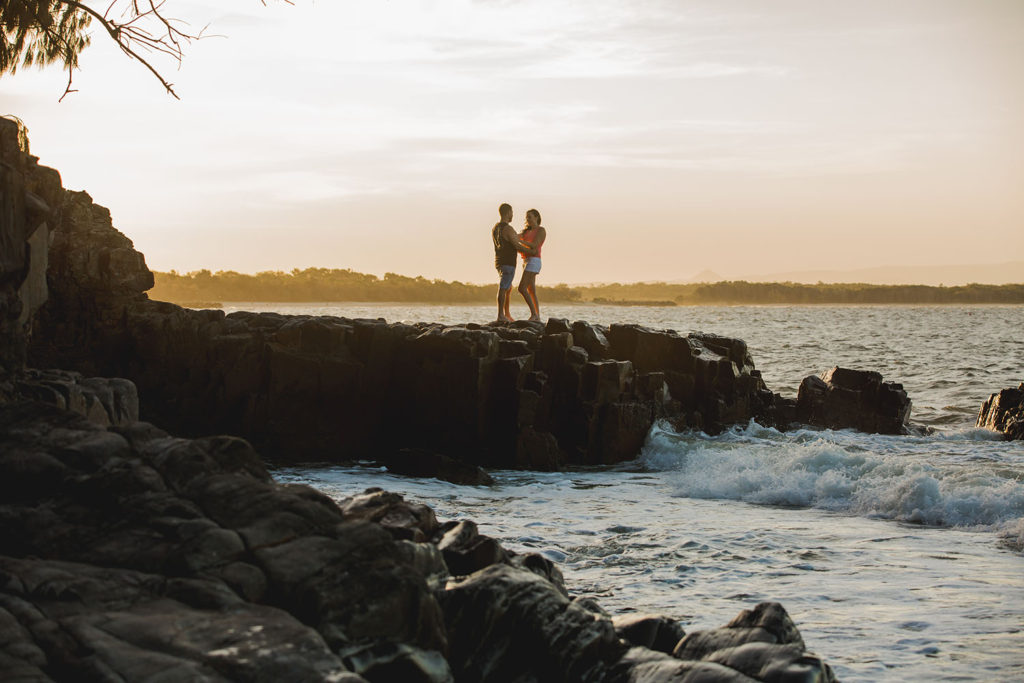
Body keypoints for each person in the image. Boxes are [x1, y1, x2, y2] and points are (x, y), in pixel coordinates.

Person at [492, 203, 536, 322]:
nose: (512, 215)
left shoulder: (495, 228)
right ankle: (501, 315)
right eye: (512, 213)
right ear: (507, 213)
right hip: (508, 262)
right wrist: (532, 251)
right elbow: (517, 245)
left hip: (499, 262)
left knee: (507, 287)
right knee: (504, 287)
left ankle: (505, 314)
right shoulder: (508, 228)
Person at [517, 208, 547, 322]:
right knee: (531, 290)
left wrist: (520, 241)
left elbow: (535, 245)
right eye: (526, 217)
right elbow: (515, 236)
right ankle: (537, 316)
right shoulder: (525, 232)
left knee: (522, 288)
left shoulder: (541, 230)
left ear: (536, 217)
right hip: (525, 261)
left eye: (529, 217)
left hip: (534, 261)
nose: (527, 219)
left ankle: (534, 314)